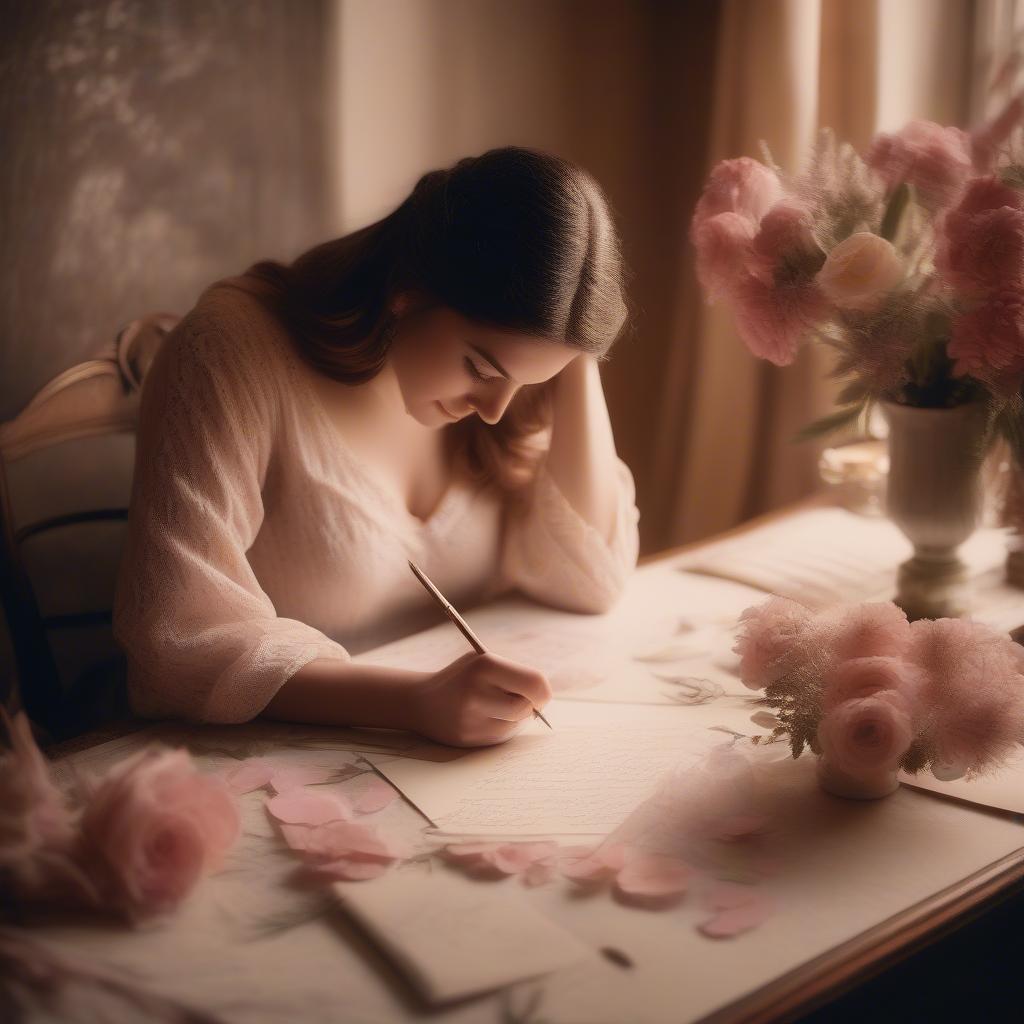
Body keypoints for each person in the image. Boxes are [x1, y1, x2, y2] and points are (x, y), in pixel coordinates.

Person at [112, 146, 641, 748]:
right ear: (408, 287)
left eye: (529, 382)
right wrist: (413, 704)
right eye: (481, 367)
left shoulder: (503, 388)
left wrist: (572, 343)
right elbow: (177, 641)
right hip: (268, 759)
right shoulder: (235, 351)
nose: (495, 411)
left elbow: (590, 579)